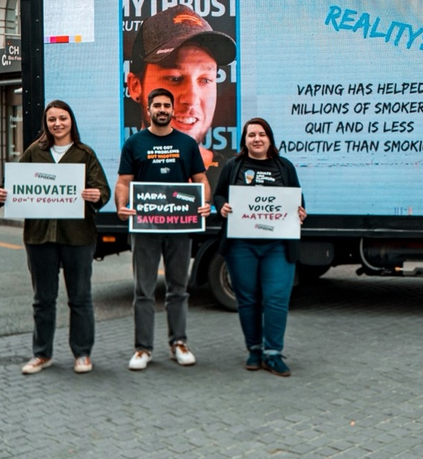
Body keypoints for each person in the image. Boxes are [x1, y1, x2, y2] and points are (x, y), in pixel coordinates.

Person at [115, 87, 211, 371]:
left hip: (179, 228)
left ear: (171, 110)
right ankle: (143, 348)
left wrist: (204, 201)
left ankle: (178, 343)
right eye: (157, 105)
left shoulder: (186, 143)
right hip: (144, 229)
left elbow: (201, 180)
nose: (162, 109)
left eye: (166, 105)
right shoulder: (134, 143)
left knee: (178, 289)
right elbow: (123, 182)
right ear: (148, 109)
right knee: (143, 290)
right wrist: (122, 206)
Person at [16, 100, 110, 375]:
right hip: (39, 236)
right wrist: (4, 194)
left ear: (72, 121)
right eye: (52, 119)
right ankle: (41, 354)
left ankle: (82, 354)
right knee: (42, 299)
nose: (57, 124)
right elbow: (17, 185)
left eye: (63, 118)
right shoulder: (35, 152)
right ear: (46, 123)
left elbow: (101, 190)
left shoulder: (84, 154)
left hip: (78, 236)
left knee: (80, 297)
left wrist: (97, 196)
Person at [213, 117, 306, 376]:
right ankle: (254, 349)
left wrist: (300, 212)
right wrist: (222, 206)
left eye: (262, 134)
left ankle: (273, 353)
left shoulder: (284, 166)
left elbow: (298, 199)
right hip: (241, 245)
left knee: (277, 298)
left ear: (270, 139)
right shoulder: (233, 166)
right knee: (248, 299)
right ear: (244, 140)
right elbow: (218, 194)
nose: (257, 139)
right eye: (251, 134)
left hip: (278, 245)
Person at [125, 3, 237, 183]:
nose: (191, 99)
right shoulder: (116, 168)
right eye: (174, 78)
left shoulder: (237, 174)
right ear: (135, 86)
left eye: (205, 80)